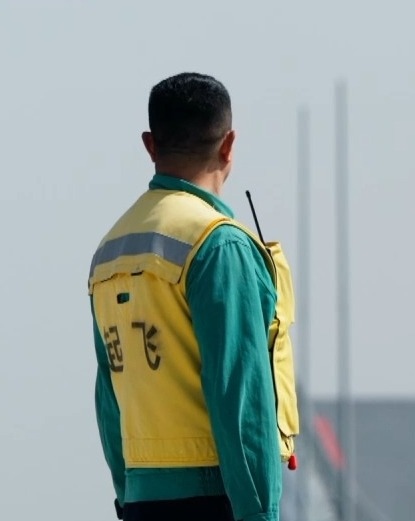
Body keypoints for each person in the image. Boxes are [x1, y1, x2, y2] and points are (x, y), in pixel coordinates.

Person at [88, 72, 299, 521]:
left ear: (150, 145)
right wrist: (260, 514)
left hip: (141, 499)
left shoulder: (109, 252)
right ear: (229, 145)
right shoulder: (219, 245)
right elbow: (238, 396)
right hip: (217, 498)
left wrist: (128, 495)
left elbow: (109, 394)